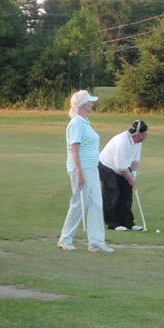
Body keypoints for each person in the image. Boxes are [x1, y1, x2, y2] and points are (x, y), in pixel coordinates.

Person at [57, 90, 114, 253]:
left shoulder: (85, 122)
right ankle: (65, 239)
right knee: (78, 203)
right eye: (89, 102)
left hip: (92, 168)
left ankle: (96, 242)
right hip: (81, 169)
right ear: (83, 105)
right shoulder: (75, 123)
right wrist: (79, 173)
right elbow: (74, 149)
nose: (92, 104)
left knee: (96, 203)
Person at [99, 120, 148, 231]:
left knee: (127, 195)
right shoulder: (122, 142)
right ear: (138, 135)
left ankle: (128, 222)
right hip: (107, 166)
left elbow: (135, 159)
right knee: (112, 193)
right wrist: (130, 179)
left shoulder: (138, 142)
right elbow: (120, 167)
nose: (146, 136)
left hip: (122, 167)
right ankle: (113, 223)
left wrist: (133, 173)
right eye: (145, 134)